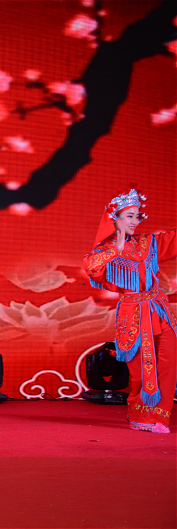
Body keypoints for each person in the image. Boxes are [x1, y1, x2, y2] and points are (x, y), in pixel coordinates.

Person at [84, 183, 176, 433]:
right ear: (114, 219)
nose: (135, 221)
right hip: (133, 313)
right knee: (142, 369)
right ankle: (140, 416)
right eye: (129, 216)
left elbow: (172, 240)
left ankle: (160, 417)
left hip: (158, 308)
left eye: (137, 216)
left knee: (169, 362)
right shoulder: (105, 250)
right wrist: (117, 249)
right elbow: (92, 267)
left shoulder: (147, 242)